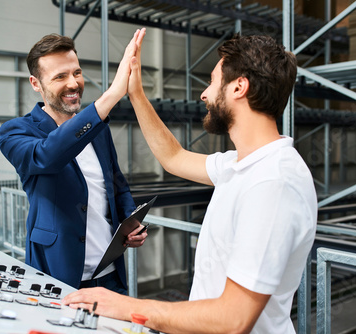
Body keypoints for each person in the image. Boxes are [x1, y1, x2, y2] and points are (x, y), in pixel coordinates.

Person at [63, 32, 318, 333]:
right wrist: (136, 94)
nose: (204, 94)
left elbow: (233, 320)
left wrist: (126, 306)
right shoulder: (240, 164)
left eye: (212, 81)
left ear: (239, 87)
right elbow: (173, 157)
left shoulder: (273, 183)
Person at [0, 29, 147, 295]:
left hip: (110, 275)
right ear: (36, 83)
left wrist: (130, 220)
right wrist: (112, 95)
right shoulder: (15, 132)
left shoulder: (98, 129)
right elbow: (47, 156)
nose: (73, 83)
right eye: (60, 76)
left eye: (76, 73)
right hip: (57, 275)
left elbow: (116, 183)